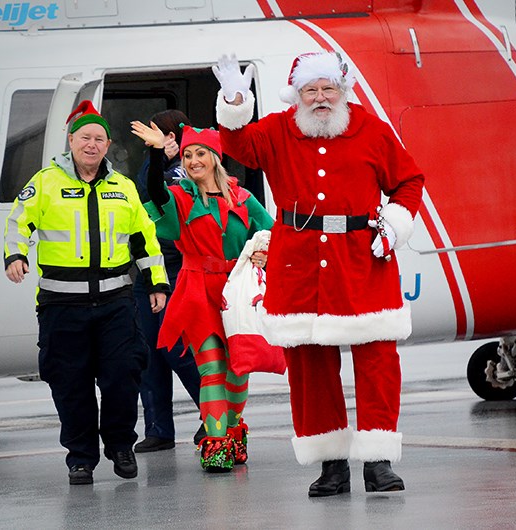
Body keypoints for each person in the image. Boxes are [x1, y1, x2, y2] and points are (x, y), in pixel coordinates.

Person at [212, 52, 425, 496]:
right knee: (309, 365)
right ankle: (331, 465)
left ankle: (378, 461)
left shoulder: (371, 129)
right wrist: (234, 101)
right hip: (298, 259)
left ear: (343, 91)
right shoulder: (275, 130)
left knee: (378, 361)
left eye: (329, 88)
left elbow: (409, 180)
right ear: (297, 95)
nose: (321, 98)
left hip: (362, 257)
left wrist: (397, 223)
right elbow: (236, 148)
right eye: (311, 90)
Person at [4, 100, 169, 485]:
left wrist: (157, 282)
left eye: (99, 139)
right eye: (85, 138)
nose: (92, 145)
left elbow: (144, 238)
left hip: (115, 301)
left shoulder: (122, 187)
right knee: (70, 382)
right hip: (62, 304)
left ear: (108, 145)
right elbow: (18, 223)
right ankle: (80, 457)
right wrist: (15, 255)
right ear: (71, 141)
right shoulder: (45, 182)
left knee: (123, 375)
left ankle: (120, 446)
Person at [130, 119, 274, 472]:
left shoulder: (243, 198)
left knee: (238, 372)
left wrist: (263, 250)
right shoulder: (180, 197)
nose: (192, 160)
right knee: (211, 368)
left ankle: (233, 432)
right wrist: (155, 153)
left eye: (200, 154)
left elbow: (273, 232)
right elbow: (154, 194)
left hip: (237, 289)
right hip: (197, 288)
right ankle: (217, 447)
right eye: (188, 154)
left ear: (215, 158)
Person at [130, 110, 205, 453]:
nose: (157, 140)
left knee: (178, 349)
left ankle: (216, 413)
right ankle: (159, 428)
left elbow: (171, 198)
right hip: (147, 267)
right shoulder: (154, 162)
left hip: (178, 267)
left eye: (162, 135)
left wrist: (169, 157)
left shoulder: (193, 165)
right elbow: (143, 195)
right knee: (149, 353)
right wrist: (156, 154)